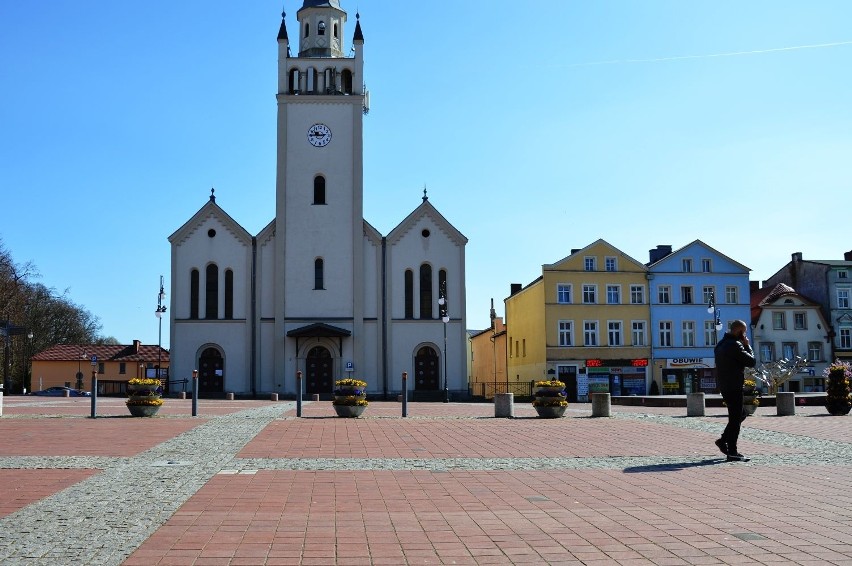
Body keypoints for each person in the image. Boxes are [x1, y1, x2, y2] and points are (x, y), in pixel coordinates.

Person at [714, 319, 756, 462]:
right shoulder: (735, 345)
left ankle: (723, 440)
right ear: (739, 332)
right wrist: (747, 346)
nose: (744, 335)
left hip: (725, 386)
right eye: (743, 332)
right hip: (734, 386)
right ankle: (732, 451)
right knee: (735, 419)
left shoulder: (720, 344)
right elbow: (751, 362)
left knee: (740, 415)